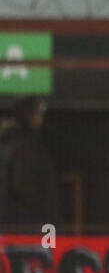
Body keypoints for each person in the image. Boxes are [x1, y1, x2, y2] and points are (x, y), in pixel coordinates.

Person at [0, 97, 61, 231]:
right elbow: (23, 187)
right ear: (29, 116)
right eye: (39, 114)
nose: (41, 118)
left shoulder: (11, 143)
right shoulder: (25, 146)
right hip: (27, 224)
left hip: (16, 223)